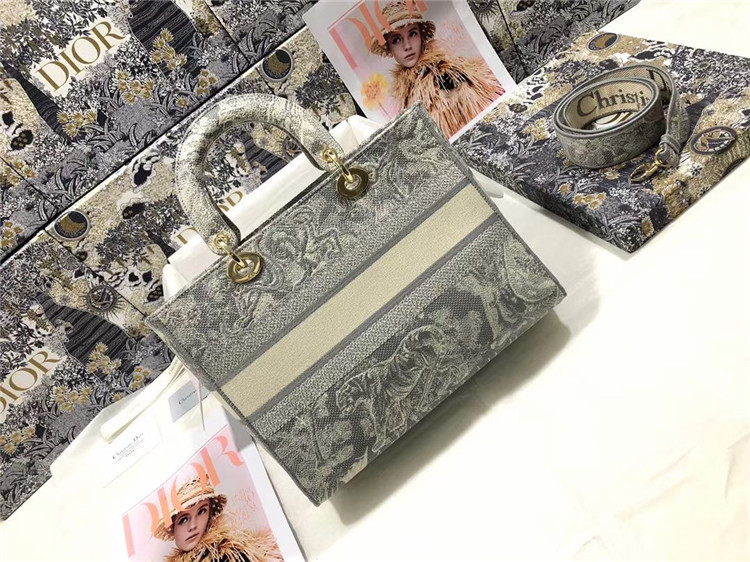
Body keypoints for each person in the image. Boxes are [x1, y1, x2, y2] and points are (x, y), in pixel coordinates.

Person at [370, 0, 504, 138]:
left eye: (412, 33)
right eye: (397, 40)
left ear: (421, 36)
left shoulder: (443, 75)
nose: (407, 46)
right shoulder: (407, 90)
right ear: (389, 48)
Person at [154, 477, 282, 562]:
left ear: (210, 515)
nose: (193, 526)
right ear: (173, 528)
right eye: (183, 520)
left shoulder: (229, 555)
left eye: (201, 511)